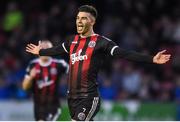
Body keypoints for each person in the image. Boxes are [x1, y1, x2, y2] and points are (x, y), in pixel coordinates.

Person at [25, 5, 171, 121]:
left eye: (83, 18)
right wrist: (41, 52)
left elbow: (125, 54)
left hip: (89, 96)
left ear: (92, 21)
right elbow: (56, 50)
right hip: (72, 97)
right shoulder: (72, 41)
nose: (79, 21)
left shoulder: (101, 42)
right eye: (77, 18)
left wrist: (151, 58)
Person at [23, 40, 68, 121]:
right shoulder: (32, 65)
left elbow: (75, 73)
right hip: (38, 107)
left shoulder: (60, 64)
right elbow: (25, 87)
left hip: (53, 105)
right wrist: (30, 77)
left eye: (48, 48)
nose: (45, 50)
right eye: (43, 48)